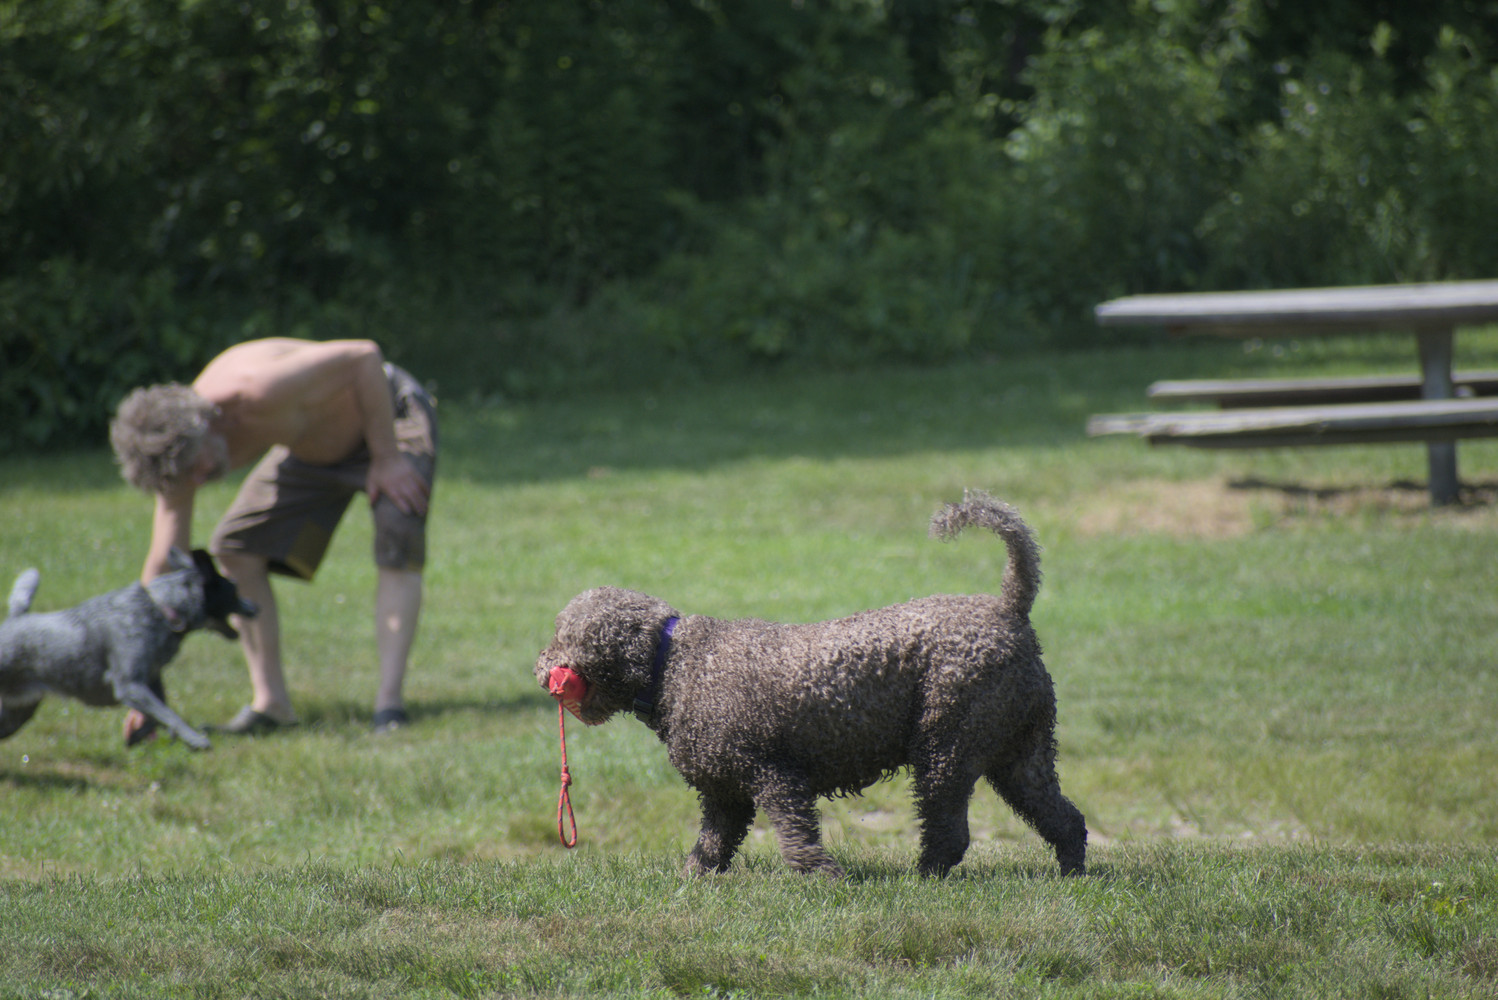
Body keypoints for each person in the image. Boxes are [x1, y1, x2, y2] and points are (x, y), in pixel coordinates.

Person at [109, 338, 436, 736]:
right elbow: (163, 566)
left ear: (209, 425)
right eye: (186, 476)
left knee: (397, 538)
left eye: (197, 467)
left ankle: (389, 706)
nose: (198, 480)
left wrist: (386, 458)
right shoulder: (177, 455)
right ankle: (272, 704)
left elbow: (364, 355)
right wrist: (144, 684)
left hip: (386, 416)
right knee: (236, 548)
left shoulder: (259, 388)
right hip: (313, 448)